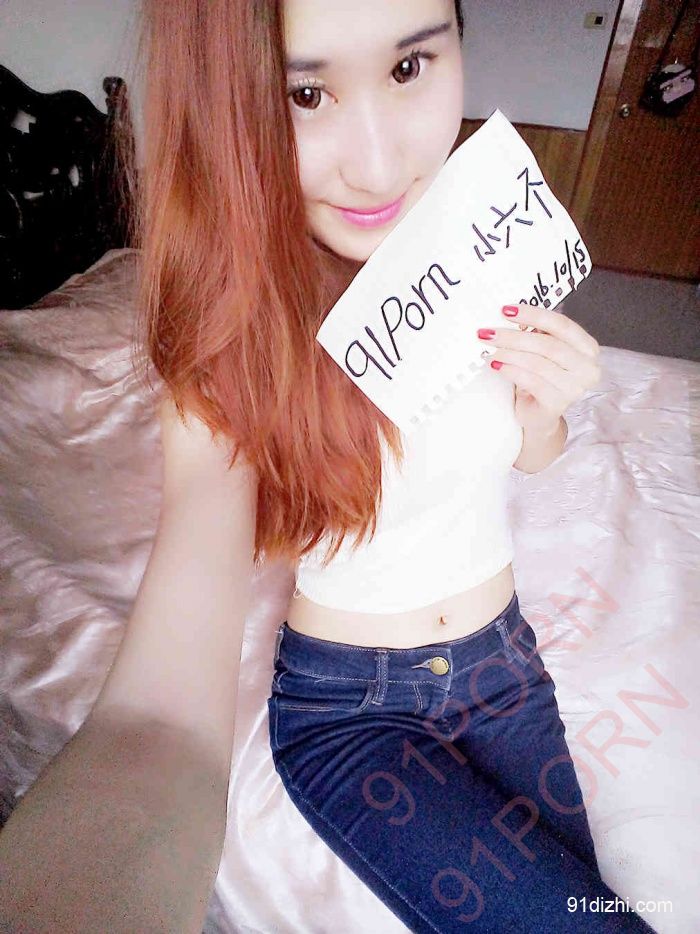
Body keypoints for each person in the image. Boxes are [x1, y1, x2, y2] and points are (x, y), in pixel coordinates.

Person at [0, 1, 656, 932]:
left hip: (506, 668)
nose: (379, 165)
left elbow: (531, 457)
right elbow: (157, 725)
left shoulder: (477, 248)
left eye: (408, 69)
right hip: (356, 710)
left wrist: (544, 409)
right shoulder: (231, 341)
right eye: (305, 94)